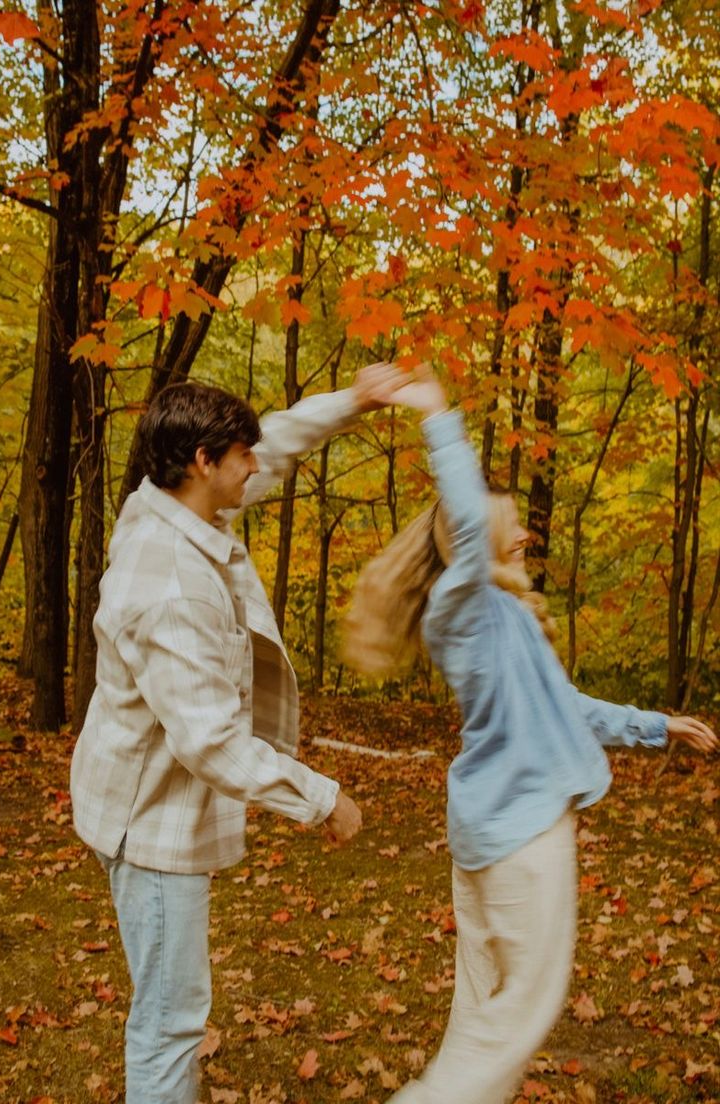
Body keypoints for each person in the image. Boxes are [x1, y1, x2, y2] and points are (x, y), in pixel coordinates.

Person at [343, 365, 718, 1104]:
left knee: (482, 1014)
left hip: (493, 835)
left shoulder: (505, 619)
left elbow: (568, 708)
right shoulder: (467, 613)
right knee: (516, 1016)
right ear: (473, 539)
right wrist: (436, 415)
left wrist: (657, 726)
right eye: (506, 520)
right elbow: (464, 514)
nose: (523, 529)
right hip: (522, 837)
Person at [70, 363, 400, 1104]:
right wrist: (321, 798)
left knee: (169, 1008)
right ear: (203, 463)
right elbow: (211, 742)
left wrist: (353, 402)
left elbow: (274, 443)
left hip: (147, 795)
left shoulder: (171, 501)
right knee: (170, 1018)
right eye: (240, 458)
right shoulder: (170, 585)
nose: (257, 467)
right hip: (148, 826)